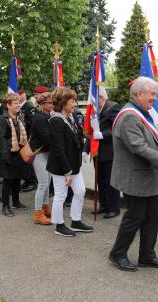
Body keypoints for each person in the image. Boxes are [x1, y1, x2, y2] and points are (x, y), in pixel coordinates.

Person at [108, 76, 158, 272]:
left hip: (148, 178)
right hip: (136, 179)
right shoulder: (130, 116)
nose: (155, 98)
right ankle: (118, 254)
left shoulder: (144, 112)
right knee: (134, 217)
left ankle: (147, 255)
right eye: (152, 94)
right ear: (139, 93)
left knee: (151, 218)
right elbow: (140, 148)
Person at [47, 87, 93, 237]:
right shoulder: (56, 120)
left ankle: (76, 221)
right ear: (63, 103)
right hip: (62, 167)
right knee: (60, 195)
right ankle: (59, 225)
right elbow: (58, 150)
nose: (75, 104)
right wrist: (67, 172)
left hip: (73, 165)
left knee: (80, 191)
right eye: (72, 101)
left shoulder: (70, 118)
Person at [83, 86, 121, 219]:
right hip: (97, 153)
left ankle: (114, 208)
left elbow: (118, 128)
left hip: (109, 152)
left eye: (95, 98)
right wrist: (85, 150)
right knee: (101, 181)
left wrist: (103, 134)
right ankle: (104, 205)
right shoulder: (94, 111)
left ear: (101, 97)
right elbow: (91, 132)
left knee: (111, 181)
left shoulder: (113, 107)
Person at [0, 94, 31, 217]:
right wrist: (6, 157)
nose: (18, 105)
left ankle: (16, 202)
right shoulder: (2, 119)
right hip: (8, 154)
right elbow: (1, 138)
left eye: (18, 103)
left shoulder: (19, 117)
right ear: (8, 105)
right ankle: (5, 206)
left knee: (17, 178)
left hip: (19, 154)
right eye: (15, 103)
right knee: (8, 180)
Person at [31, 92, 54, 225]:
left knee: (47, 181)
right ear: (42, 104)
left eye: (52, 102)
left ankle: (46, 207)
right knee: (43, 184)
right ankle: (38, 213)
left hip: (46, 153)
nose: (52, 105)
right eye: (50, 103)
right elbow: (46, 138)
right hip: (39, 154)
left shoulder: (46, 116)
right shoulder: (40, 118)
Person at [18, 88, 37, 192]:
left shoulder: (28, 106)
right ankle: (27, 179)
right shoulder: (20, 107)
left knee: (28, 160)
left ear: (23, 95)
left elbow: (32, 122)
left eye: (18, 95)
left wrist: (22, 124)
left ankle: (32, 181)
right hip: (21, 137)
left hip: (27, 137)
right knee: (23, 161)